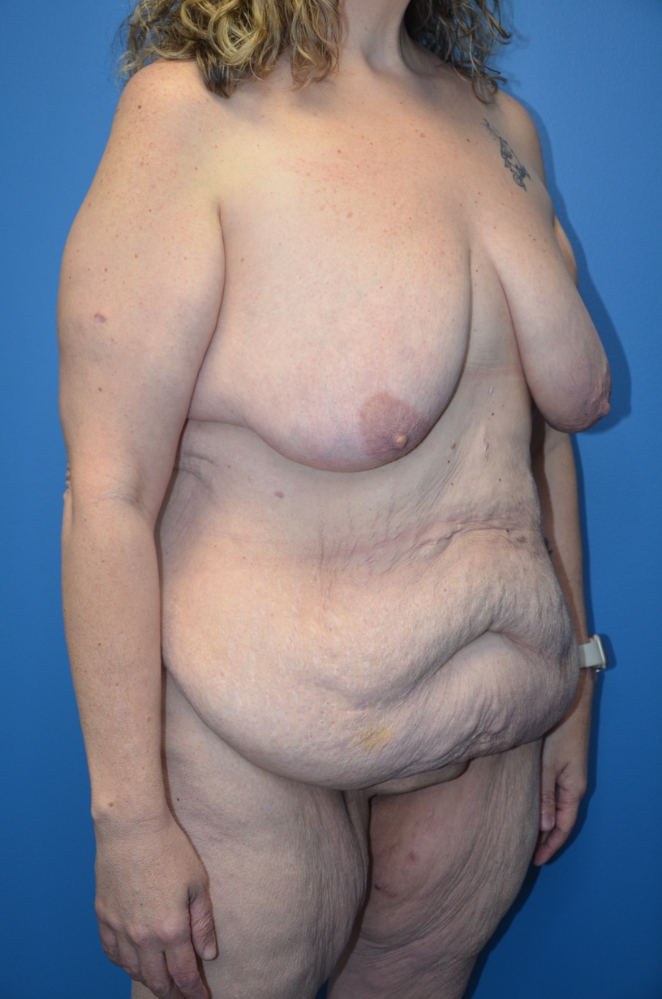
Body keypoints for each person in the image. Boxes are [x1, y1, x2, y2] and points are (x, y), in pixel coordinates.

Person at [58, 0, 611, 995]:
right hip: (255, 753)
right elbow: (108, 495)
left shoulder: (499, 123)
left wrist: (576, 685)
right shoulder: (189, 118)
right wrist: (129, 820)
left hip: (490, 746)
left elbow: (540, 440)